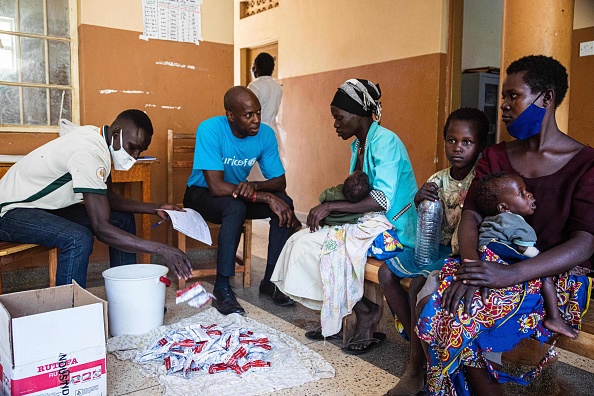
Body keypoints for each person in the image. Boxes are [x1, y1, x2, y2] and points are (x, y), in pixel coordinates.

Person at [416, 55, 594, 396]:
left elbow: (585, 242)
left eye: (514, 96)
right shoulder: (495, 156)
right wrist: (472, 268)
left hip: (552, 276)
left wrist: (508, 275)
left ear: (546, 98)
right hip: (489, 261)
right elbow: (471, 216)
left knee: (461, 316)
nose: (504, 106)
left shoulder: (585, 164)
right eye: (503, 98)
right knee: (444, 303)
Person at [271, 78, 418, 353]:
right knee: (299, 242)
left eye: (339, 117)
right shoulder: (358, 146)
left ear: (359, 112)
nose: (335, 124)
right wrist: (331, 209)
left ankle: (364, 312)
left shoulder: (386, 141)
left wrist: (331, 208)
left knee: (323, 249)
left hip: (395, 227)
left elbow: (381, 199)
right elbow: (356, 193)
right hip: (370, 222)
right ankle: (346, 310)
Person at [0, 109, 193, 287]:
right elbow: (101, 228)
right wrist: (162, 249)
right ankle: (71, 312)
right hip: (10, 212)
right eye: (133, 147)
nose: (135, 156)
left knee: (122, 220)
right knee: (77, 238)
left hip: (43, 208)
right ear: (116, 134)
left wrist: (156, 207)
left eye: (140, 151)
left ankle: (128, 295)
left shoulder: (100, 140)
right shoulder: (90, 152)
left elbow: (108, 198)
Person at [382, 107, 488, 395]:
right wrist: (419, 199)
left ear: (480, 146)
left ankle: (416, 369)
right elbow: (425, 222)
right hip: (433, 247)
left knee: (418, 285)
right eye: (451, 140)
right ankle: (420, 341)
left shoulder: (481, 179)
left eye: (467, 142)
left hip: (456, 253)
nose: (458, 148)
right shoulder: (438, 179)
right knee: (385, 273)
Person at [183, 86, 299, 316]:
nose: (256, 120)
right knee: (235, 207)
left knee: (284, 203)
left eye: (258, 112)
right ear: (231, 116)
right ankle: (222, 288)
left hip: (237, 194)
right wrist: (264, 196)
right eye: (248, 115)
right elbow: (216, 187)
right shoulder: (210, 129)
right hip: (202, 194)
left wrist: (255, 187)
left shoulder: (264, 134)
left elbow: (279, 181)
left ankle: (271, 282)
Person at [475, 172, 578, 340]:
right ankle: (554, 318)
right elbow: (525, 249)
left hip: (487, 258)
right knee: (544, 274)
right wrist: (546, 262)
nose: (529, 194)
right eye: (521, 193)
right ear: (504, 208)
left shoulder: (492, 220)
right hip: (502, 255)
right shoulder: (516, 223)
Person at [247, 52, 286, 165]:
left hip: (257, 132)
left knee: (256, 170)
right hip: (273, 131)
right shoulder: (278, 86)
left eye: (254, 65)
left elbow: (249, 111)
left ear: (257, 67)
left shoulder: (254, 86)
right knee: (270, 167)